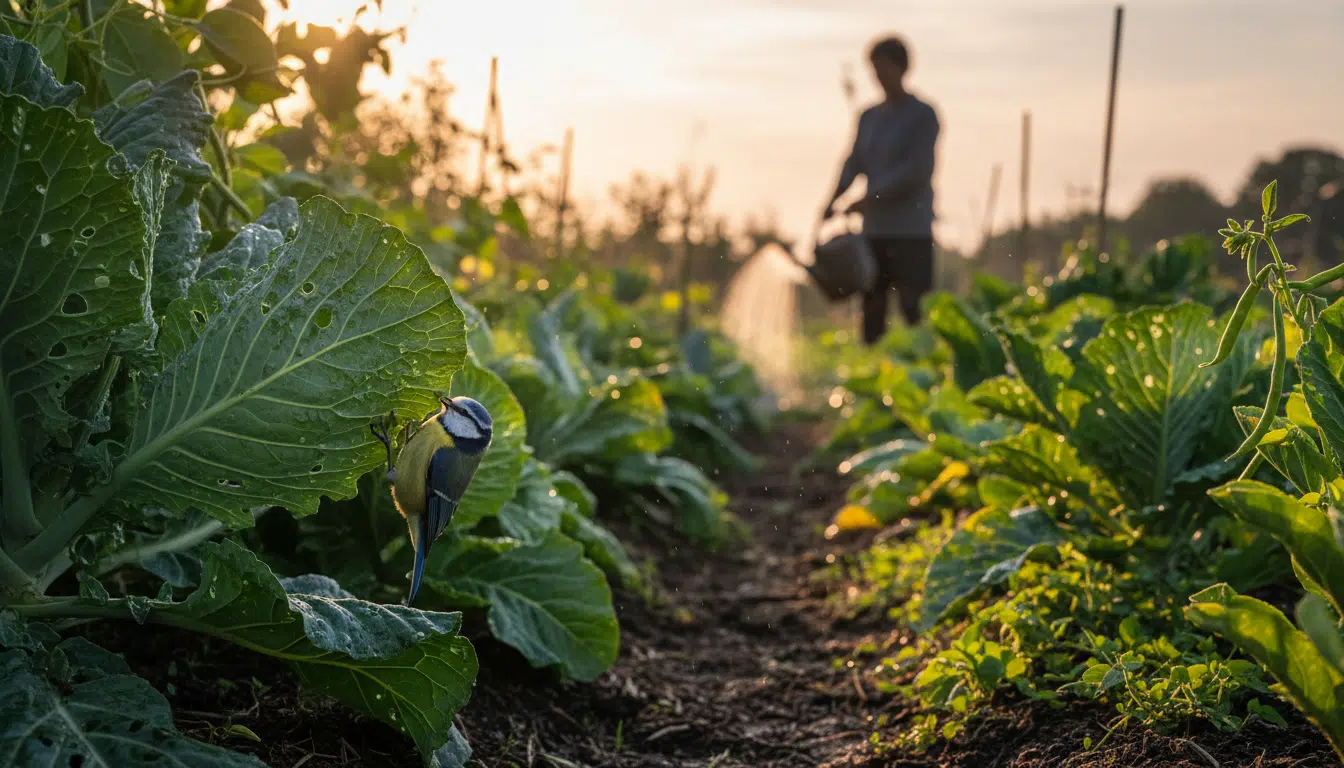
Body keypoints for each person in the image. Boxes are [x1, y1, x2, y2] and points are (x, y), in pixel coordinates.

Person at [823, 35, 940, 345]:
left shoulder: (923, 115)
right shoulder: (869, 117)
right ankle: (875, 377)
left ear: (902, 68)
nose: (877, 77)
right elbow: (853, 162)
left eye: (883, 69)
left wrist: (870, 198)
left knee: (914, 307)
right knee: (872, 307)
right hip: (874, 232)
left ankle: (924, 374)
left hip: (911, 231)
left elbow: (917, 171)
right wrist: (832, 199)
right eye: (874, 70)